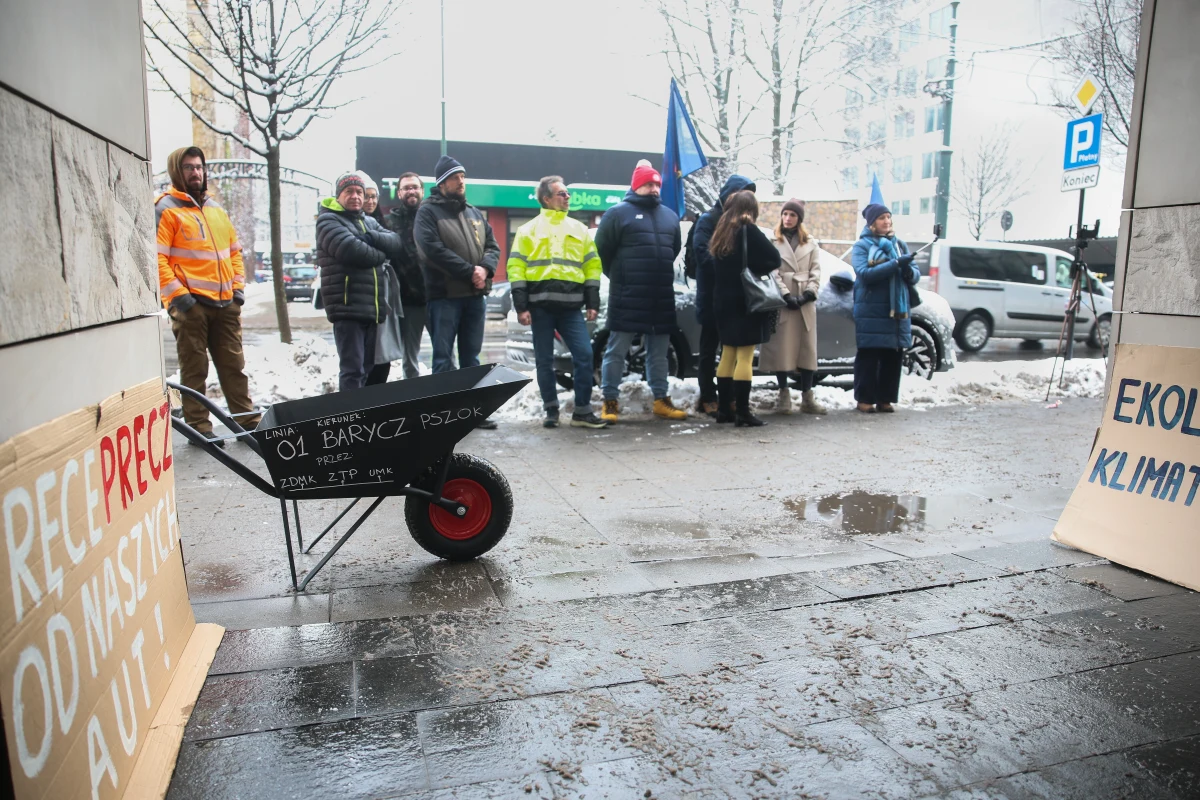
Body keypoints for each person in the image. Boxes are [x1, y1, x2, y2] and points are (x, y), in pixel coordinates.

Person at [156, 146, 260, 448]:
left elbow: (234, 253)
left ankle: (246, 419)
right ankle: (199, 427)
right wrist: (180, 299)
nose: (195, 172)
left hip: (225, 303)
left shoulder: (215, 209)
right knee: (194, 368)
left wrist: (237, 291)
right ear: (177, 171)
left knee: (233, 366)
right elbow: (157, 259)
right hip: (191, 306)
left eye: (199, 167)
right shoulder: (166, 209)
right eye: (188, 167)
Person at [508, 176, 607, 429]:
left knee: (584, 355)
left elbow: (592, 266)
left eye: (567, 193)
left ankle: (582, 411)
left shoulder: (579, 229)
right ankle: (551, 410)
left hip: (571, 308)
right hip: (540, 307)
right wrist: (522, 306)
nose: (567, 197)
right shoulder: (527, 230)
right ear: (547, 199)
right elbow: (516, 267)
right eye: (561, 194)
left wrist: (592, 301)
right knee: (544, 360)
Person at [595, 160, 687, 423]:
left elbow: (673, 249)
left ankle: (661, 399)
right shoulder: (617, 214)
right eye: (648, 184)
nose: (654, 188)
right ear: (636, 186)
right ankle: (610, 400)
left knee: (659, 351)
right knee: (616, 350)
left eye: (657, 183)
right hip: (627, 295)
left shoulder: (670, 216)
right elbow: (603, 250)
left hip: (660, 294)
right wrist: (620, 277)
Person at [414, 155, 501, 429]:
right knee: (443, 358)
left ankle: (473, 413)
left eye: (462, 176)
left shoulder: (474, 212)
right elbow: (431, 250)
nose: (461, 181)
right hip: (444, 298)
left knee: (471, 359)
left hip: (474, 297)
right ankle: (443, 415)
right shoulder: (427, 212)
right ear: (442, 183)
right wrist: (469, 271)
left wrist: (485, 269)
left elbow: (493, 246)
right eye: (454, 177)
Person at [316, 171, 401, 392]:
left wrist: (371, 238)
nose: (355, 196)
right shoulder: (327, 220)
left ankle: (362, 417)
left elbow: (396, 242)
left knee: (367, 368)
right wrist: (381, 255)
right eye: (349, 191)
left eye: (359, 192)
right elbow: (351, 250)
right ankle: (349, 418)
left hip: (372, 309)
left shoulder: (369, 222)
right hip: (347, 307)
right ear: (338, 195)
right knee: (352, 370)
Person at [708, 190, 782, 427]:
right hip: (745, 301)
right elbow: (774, 259)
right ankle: (742, 412)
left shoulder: (721, 231)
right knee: (745, 357)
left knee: (727, 354)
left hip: (722, 301)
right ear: (751, 210)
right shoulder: (749, 230)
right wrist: (756, 266)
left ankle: (724, 411)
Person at [691, 174, 756, 417]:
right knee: (709, 350)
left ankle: (728, 398)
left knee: (730, 350)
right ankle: (708, 396)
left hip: (734, 297)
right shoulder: (708, 220)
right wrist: (728, 269)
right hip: (711, 295)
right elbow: (701, 253)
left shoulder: (743, 223)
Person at [758, 199, 827, 415]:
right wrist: (786, 295)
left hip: (805, 303)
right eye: (785, 214)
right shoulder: (773, 241)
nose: (787, 218)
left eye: (792, 215)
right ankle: (783, 394)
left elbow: (816, 271)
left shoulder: (811, 244)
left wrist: (808, 294)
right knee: (782, 349)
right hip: (783, 301)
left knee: (806, 350)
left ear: (800, 219)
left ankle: (807, 396)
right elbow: (772, 272)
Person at [850, 203, 919, 413]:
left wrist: (908, 271)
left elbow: (915, 274)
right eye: (881, 218)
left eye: (889, 217)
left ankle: (885, 398)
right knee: (869, 355)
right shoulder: (861, 246)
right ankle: (865, 399)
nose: (887, 221)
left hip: (896, 309)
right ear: (871, 223)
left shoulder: (900, 244)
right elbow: (865, 274)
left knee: (892, 355)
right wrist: (896, 264)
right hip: (871, 308)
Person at [385, 172, 429, 379]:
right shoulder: (389, 223)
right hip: (408, 300)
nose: (411, 191)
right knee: (410, 360)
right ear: (399, 192)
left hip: (438, 297)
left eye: (415, 187)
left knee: (445, 355)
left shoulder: (432, 218)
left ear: (422, 191)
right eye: (406, 188)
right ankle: (415, 400)